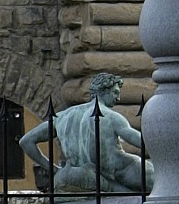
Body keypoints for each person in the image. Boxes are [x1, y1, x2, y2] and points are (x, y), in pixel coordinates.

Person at [19, 72, 151, 196]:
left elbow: (26, 141)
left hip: (72, 173)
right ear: (104, 91)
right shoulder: (111, 117)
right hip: (121, 172)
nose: (118, 98)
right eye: (115, 92)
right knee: (160, 187)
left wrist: (54, 170)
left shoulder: (62, 116)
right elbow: (139, 141)